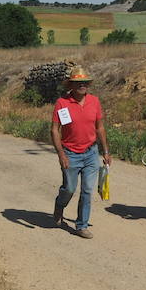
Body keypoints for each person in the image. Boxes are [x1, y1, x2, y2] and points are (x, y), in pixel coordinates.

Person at [51, 67, 112, 239]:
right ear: (71, 84)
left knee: (87, 190)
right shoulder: (62, 103)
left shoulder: (94, 101)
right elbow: (55, 130)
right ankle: (59, 205)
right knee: (69, 188)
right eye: (78, 83)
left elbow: (100, 128)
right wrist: (61, 154)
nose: (82, 85)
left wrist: (105, 151)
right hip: (70, 153)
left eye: (85, 82)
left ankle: (81, 225)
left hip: (91, 153)